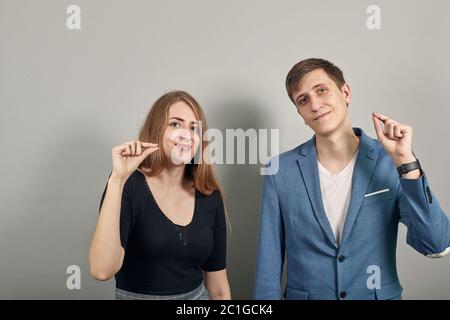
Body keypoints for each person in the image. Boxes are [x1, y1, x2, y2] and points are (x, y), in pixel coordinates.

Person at [254, 58, 450, 300]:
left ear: (345, 92)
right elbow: (269, 261)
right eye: (303, 100)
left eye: (321, 90)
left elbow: (436, 245)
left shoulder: (391, 161)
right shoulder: (279, 170)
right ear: (300, 113)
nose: (315, 104)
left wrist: (406, 162)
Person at [89, 91, 231, 300]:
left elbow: (219, 288)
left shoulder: (209, 193)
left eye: (194, 128)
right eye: (175, 124)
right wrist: (117, 180)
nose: (185, 134)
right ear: (156, 130)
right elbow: (102, 270)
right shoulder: (128, 184)